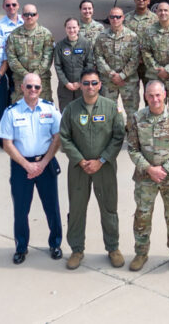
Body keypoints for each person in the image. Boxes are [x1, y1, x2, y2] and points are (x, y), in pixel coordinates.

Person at [59, 68, 125, 270]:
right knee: (77, 209)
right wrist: (80, 160)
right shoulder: (71, 109)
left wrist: (102, 160)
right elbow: (64, 137)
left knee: (109, 208)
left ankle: (113, 248)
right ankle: (77, 250)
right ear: (80, 85)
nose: (90, 87)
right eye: (86, 83)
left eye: (94, 83)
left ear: (100, 85)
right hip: (78, 169)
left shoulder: (110, 108)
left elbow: (118, 137)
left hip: (104, 167)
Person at [0, 73, 63, 263]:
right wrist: (27, 165)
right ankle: (21, 247)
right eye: (29, 87)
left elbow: (57, 138)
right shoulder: (12, 112)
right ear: (22, 88)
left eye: (37, 87)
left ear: (41, 88)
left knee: (52, 208)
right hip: (21, 166)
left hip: (46, 163)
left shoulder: (50, 109)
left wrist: (42, 163)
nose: (33, 90)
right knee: (21, 209)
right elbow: (7, 143)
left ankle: (55, 244)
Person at [125, 81, 169, 272]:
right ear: (145, 96)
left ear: (165, 94)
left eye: (158, 95)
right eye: (151, 95)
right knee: (142, 216)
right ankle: (141, 252)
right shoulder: (137, 118)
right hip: (145, 178)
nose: (155, 99)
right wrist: (149, 169)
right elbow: (133, 149)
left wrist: (165, 169)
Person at [93, 7, 141, 115]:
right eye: (112, 17)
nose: (115, 19)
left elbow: (135, 59)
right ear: (109, 18)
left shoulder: (132, 37)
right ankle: (113, 132)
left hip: (128, 81)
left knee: (132, 113)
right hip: (108, 82)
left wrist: (122, 76)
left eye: (118, 17)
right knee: (108, 112)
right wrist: (112, 75)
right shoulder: (101, 37)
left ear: (123, 18)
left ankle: (131, 131)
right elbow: (99, 58)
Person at [6, 4, 54, 103]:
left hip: (41, 81)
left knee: (44, 110)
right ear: (22, 16)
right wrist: (27, 76)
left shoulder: (46, 34)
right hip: (21, 81)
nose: (29, 17)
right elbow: (12, 59)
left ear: (37, 16)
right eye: (26, 14)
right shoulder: (14, 35)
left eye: (32, 14)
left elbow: (47, 58)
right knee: (20, 110)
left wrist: (34, 76)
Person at [54, 18, 94, 111]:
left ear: (79, 27)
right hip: (65, 88)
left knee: (83, 113)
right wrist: (66, 83)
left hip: (83, 87)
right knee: (65, 113)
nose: (72, 30)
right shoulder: (60, 45)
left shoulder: (85, 43)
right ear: (65, 29)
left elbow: (89, 63)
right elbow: (58, 66)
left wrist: (80, 81)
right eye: (69, 28)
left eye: (74, 27)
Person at [126, 0, 157, 90]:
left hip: (148, 65)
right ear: (135, 0)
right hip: (130, 65)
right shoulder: (126, 18)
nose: (141, 0)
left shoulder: (156, 20)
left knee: (151, 95)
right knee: (131, 99)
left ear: (149, 1)